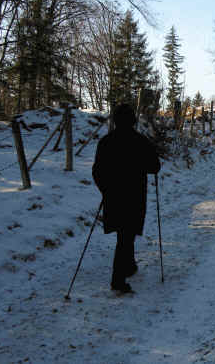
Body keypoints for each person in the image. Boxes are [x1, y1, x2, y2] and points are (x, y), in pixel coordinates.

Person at [92, 103, 161, 293]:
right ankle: (118, 280)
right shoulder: (140, 141)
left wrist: (105, 189)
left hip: (113, 196)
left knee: (124, 234)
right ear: (132, 120)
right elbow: (154, 167)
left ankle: (129, 265)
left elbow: (97, 172)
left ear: (115, 121)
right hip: (134, 196)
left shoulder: (105, 142)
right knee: (126, 235)